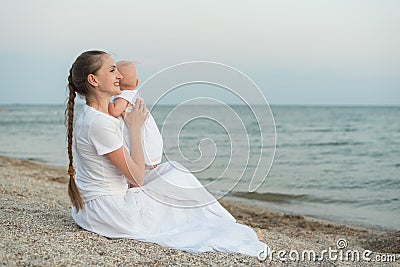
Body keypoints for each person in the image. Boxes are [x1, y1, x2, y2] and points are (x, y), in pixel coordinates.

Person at [66, 50, 269, 257]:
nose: (119, 75)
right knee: (175, 194)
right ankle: (228, 230)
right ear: (93, 80)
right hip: (110, 212)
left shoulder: (99, 116)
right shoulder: (99, 123)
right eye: (112, 70)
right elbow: (137, 179)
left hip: (96, 206)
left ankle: (224, 224)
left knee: (172, 173)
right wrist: (135, 128)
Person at [108, 61, 163, 171]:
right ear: (137, 82)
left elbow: (114, 111)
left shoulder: (123, 96)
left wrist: (103, 101)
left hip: (143, 152)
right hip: (152, 151)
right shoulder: (134, 96)